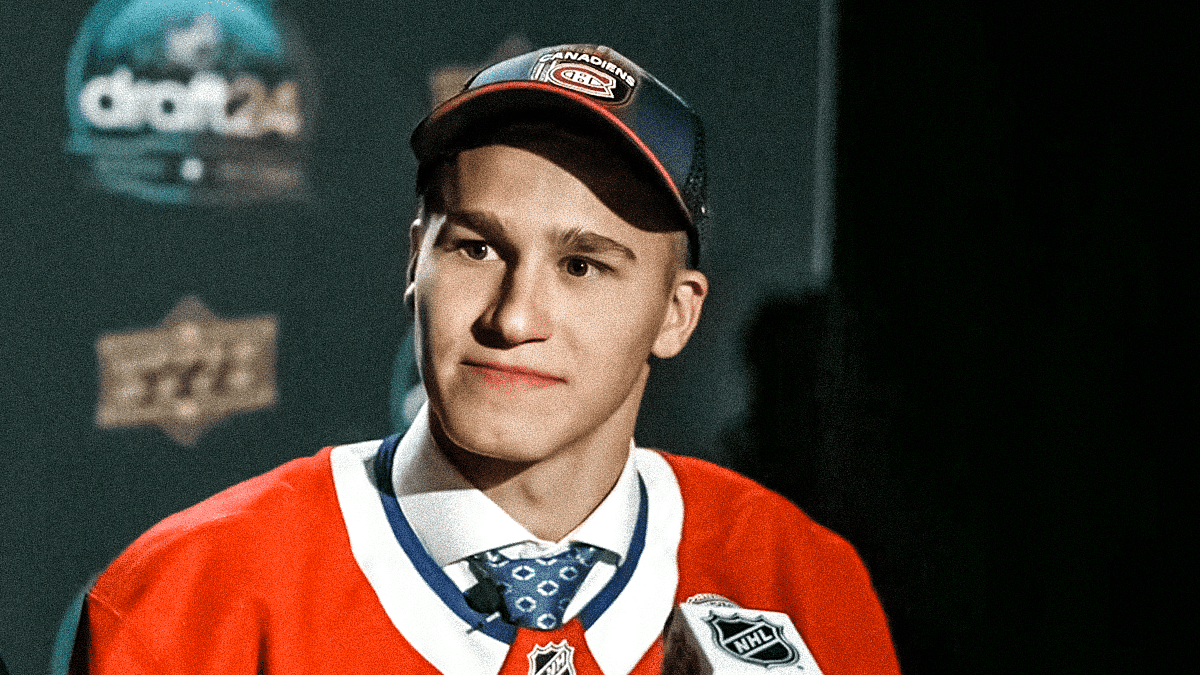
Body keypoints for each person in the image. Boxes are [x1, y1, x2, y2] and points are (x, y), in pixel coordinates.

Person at [69, 44, 899, 674]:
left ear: (676, 313)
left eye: (582, 266)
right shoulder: (190, 594)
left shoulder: (799, 578)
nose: (514, 316)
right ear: (414, 260)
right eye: (476, 248)